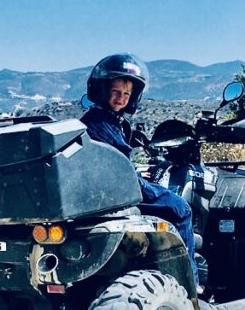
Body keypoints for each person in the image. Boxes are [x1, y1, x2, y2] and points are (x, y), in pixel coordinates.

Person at [79, 53, 199, 286]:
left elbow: (111, 159)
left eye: (126, 94)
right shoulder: (100, 123)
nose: (121, 98)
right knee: (181, 209)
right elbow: (115, 165)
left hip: (108, 188)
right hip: (119, 191)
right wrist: (134, 177)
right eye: (116, 92)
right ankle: (190, 282)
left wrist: (133, 172)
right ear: (103, 90)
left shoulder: (101, 120)